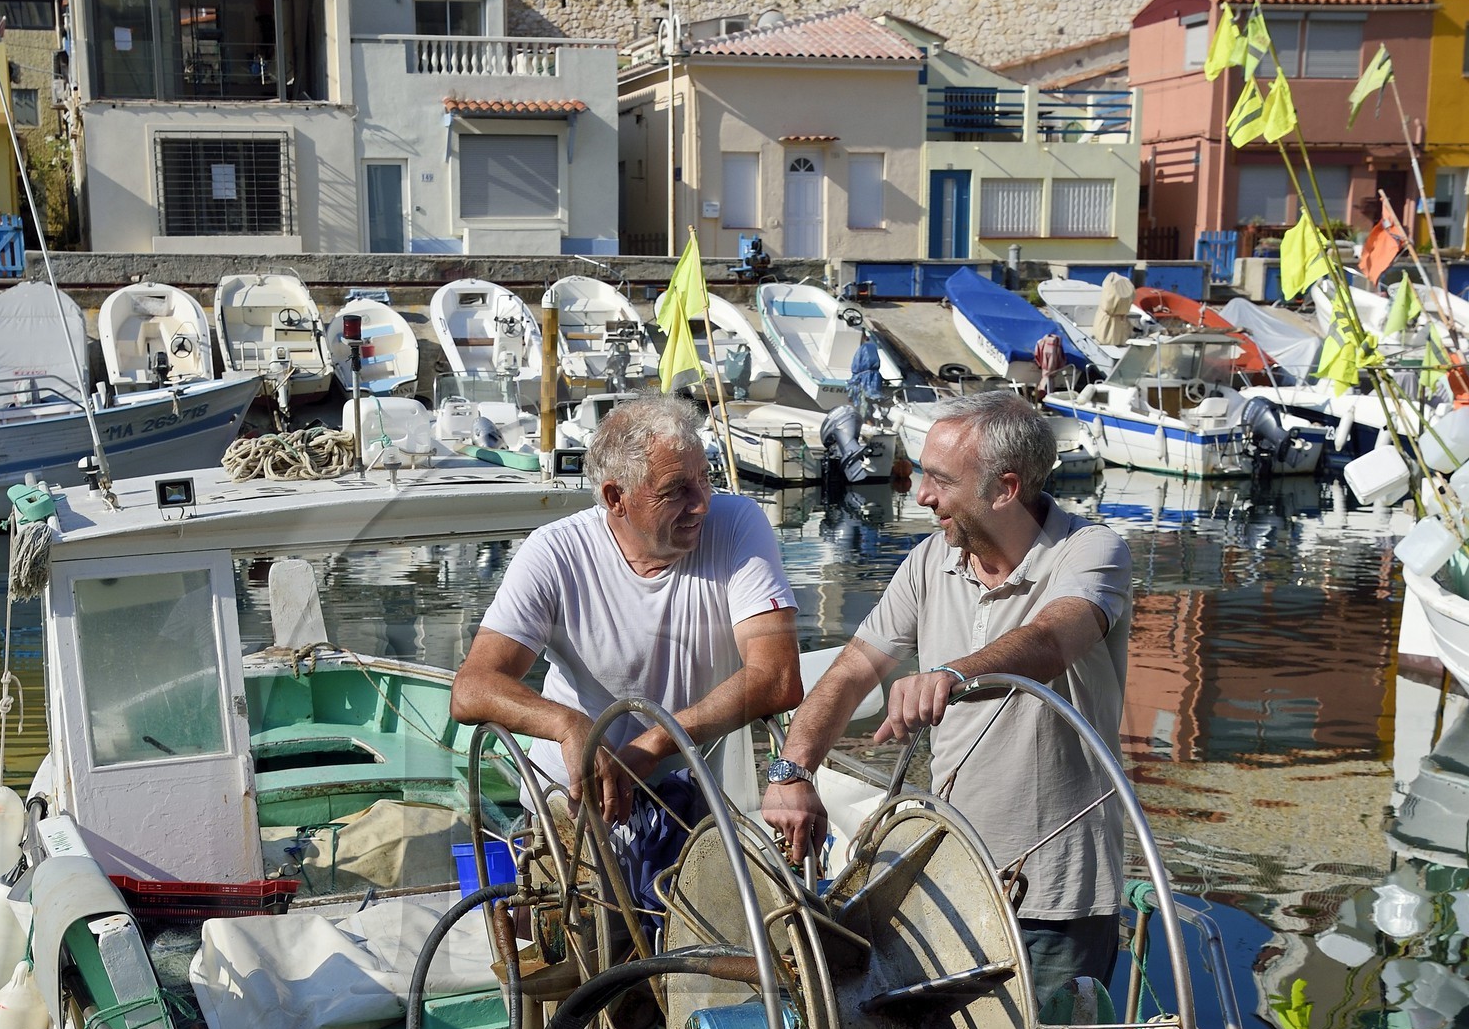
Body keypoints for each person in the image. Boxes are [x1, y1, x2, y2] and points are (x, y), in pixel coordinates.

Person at [761, 392, 1131, 995]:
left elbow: (1054, 637)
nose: (920, 495)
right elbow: (856, 668)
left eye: (939, 479)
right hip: (951, 878)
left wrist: (953, 675)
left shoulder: (1091, 552)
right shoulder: (932, 559)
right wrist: (792, 768)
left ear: (1005, 489)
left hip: (1058, 898)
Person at [452, 397, 802, 895]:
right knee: (582, 957)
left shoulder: (737, 524)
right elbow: (472, 689)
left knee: (689, 961)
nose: (702, 502)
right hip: (573, 798)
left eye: (705, 477)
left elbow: (778, 678)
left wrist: (652, 745)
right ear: (616, 497)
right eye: (676, 490)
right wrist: (569, 726)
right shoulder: (555, 552)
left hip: (690, 795)